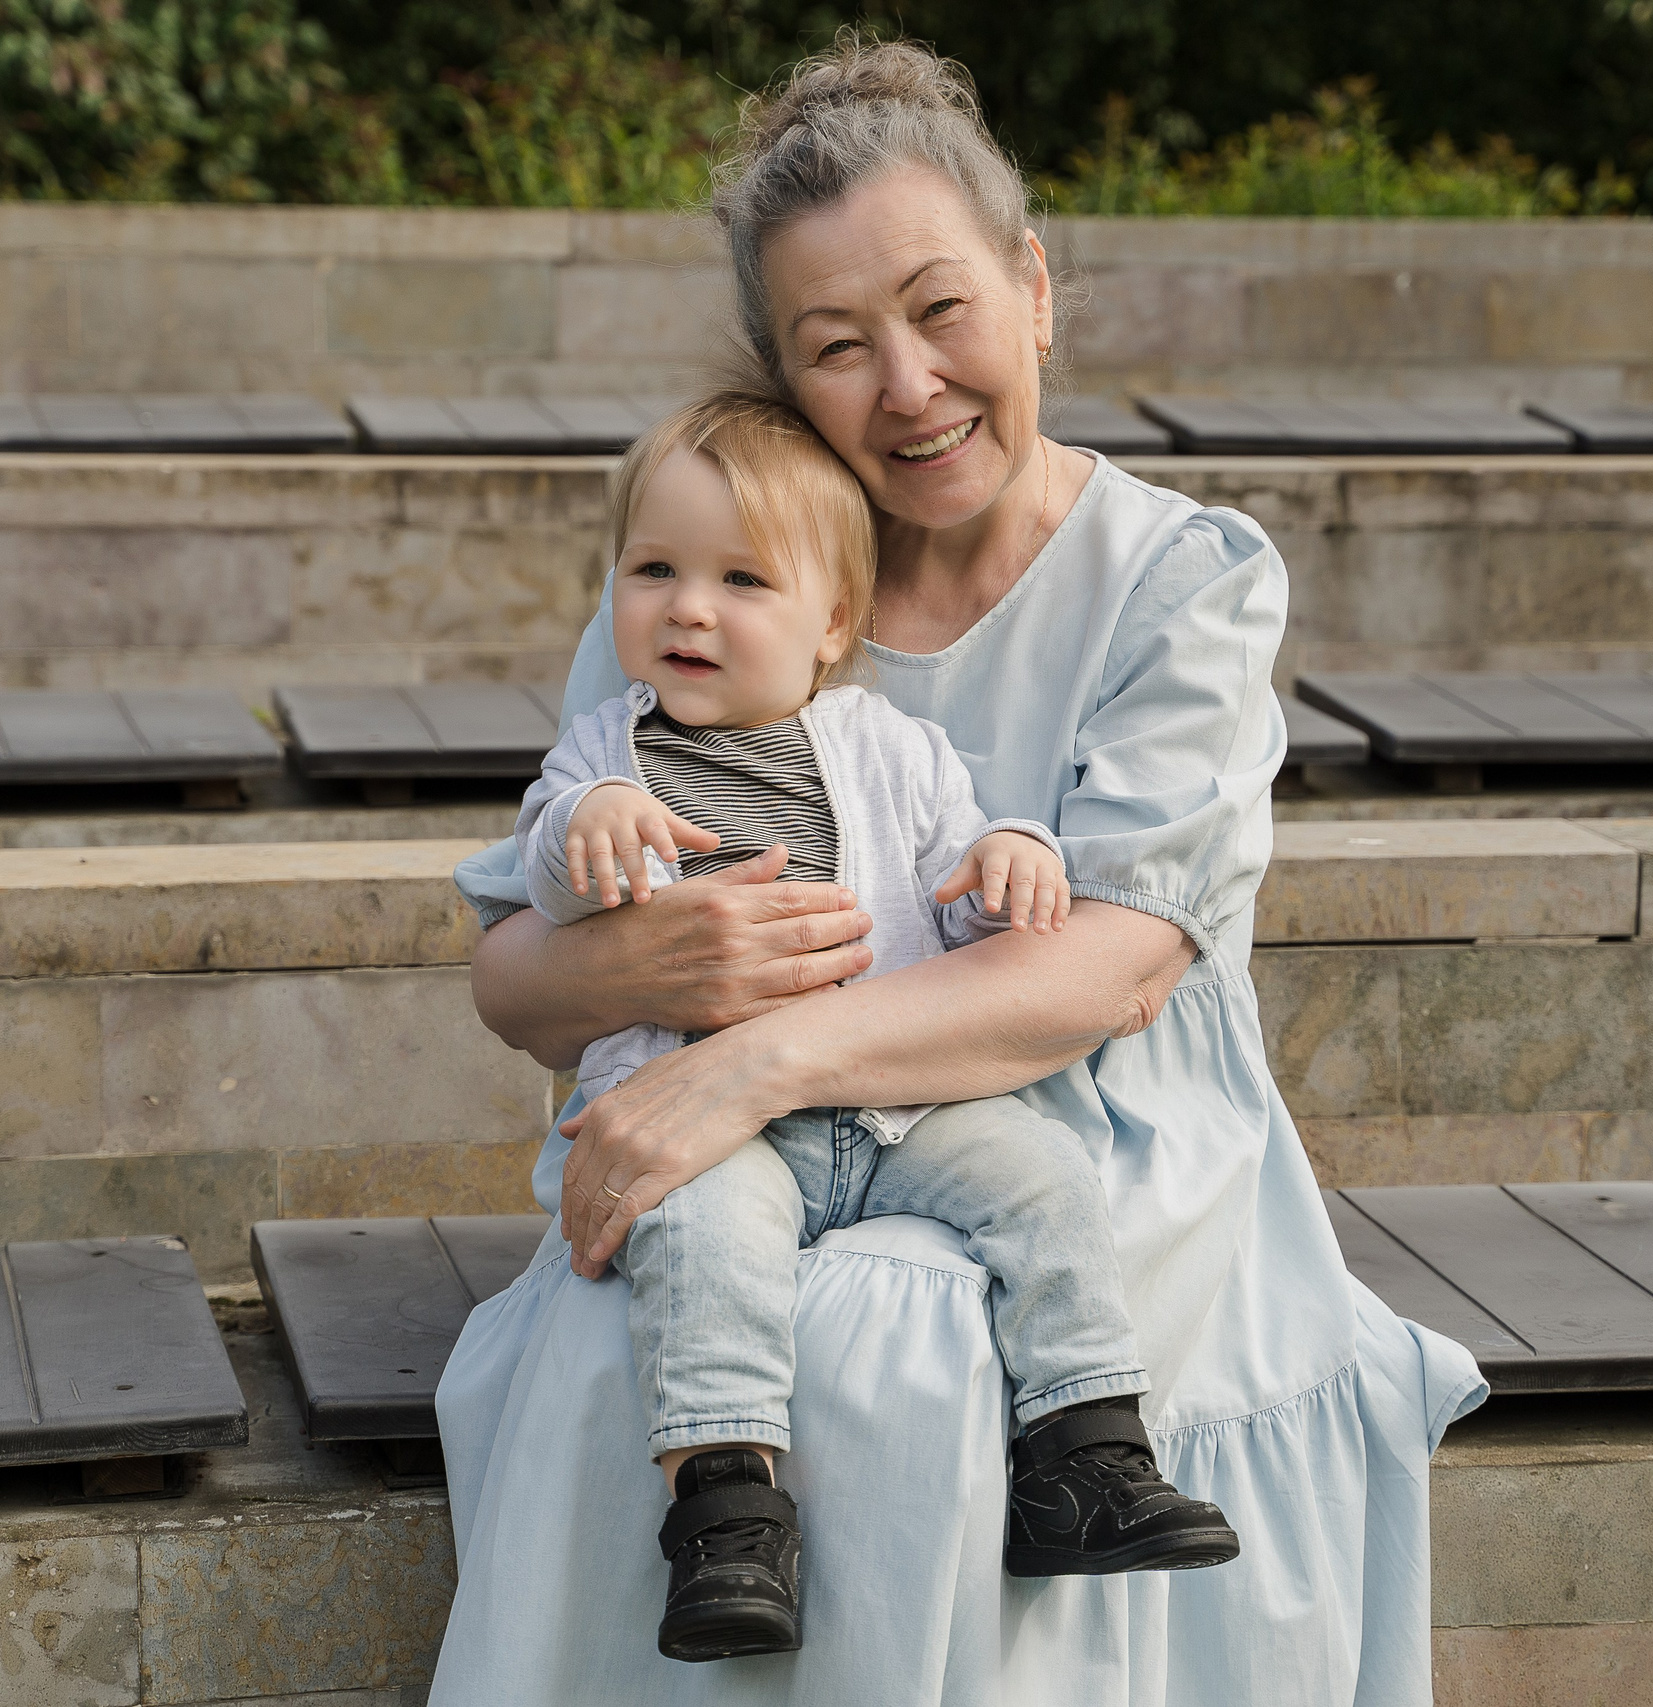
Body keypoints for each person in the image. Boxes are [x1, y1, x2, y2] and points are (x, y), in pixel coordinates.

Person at [431, 34, 1486, 1706]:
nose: (908, 386)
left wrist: (753, 1060)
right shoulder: (709, 593)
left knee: (903, 1341)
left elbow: (1117, 964)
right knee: (607, 1331)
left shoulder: (1180, 577)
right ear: (785, 375)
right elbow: (513, 976)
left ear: (1035, 287)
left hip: (1095, 1115)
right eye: (837, 348)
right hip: (734, 1117)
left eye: (942, 312)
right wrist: (663, 978)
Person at [522, 389, 1239, 1663]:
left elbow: (957, 875)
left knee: (1043, 1180)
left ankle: (1087, 1448)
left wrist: (1012, 853)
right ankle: (728, 1508)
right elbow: (543, 883)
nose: (689, 607)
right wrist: (583, 843)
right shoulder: (607, 754)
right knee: (700, 1252)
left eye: (742, 579)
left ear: (830, 626)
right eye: (654, 570)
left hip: (900, 1106)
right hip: (710, 1126)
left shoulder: (887, 746)